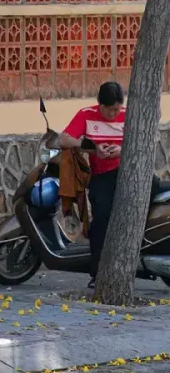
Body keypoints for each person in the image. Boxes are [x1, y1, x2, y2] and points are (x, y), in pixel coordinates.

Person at [52, 80, 126, 286]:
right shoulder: (86, 114)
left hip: (126, 172)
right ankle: (97, 273)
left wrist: (122, 150)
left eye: (117, 109)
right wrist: (92, 148)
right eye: (110, 110)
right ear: (100, 105)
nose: (114, 114)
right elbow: (64, 139)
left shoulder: (128, 114)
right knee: (101, 218)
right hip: (102, 175)